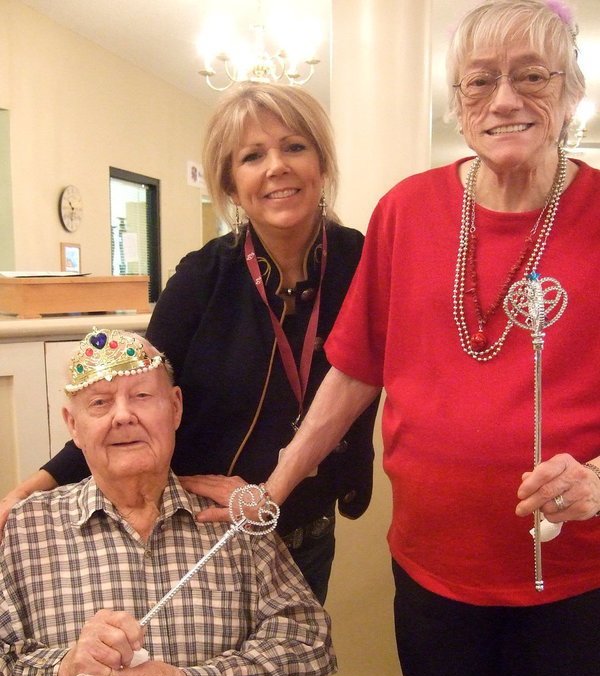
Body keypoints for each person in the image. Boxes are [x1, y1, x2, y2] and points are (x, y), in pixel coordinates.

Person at [260, 2, 600, 676]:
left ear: (573, 90)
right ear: (456, 100)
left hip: (576, 579)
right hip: (434, 570)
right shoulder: (406, 210)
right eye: (480, 81)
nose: (504, 100)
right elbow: (353, 371)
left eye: (531, 77)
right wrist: (273, 490)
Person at [0, 82, 379, 605]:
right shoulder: (203, 276)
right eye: (252, 156)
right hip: (207, 526)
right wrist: (28, 490)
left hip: (306, 522)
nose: (276, 167)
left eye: (295, 146)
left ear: (321, 162)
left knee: (292, 671)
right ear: (230, 181)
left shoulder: (364, 262)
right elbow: (135, 398)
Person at [0, 328, 335, 676]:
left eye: (141, 395)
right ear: (71, 425)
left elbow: (306, 651)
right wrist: (62, 668)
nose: (123, 416)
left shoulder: (231, 521)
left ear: (175, 407)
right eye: (99, 403)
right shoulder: (26, 528)